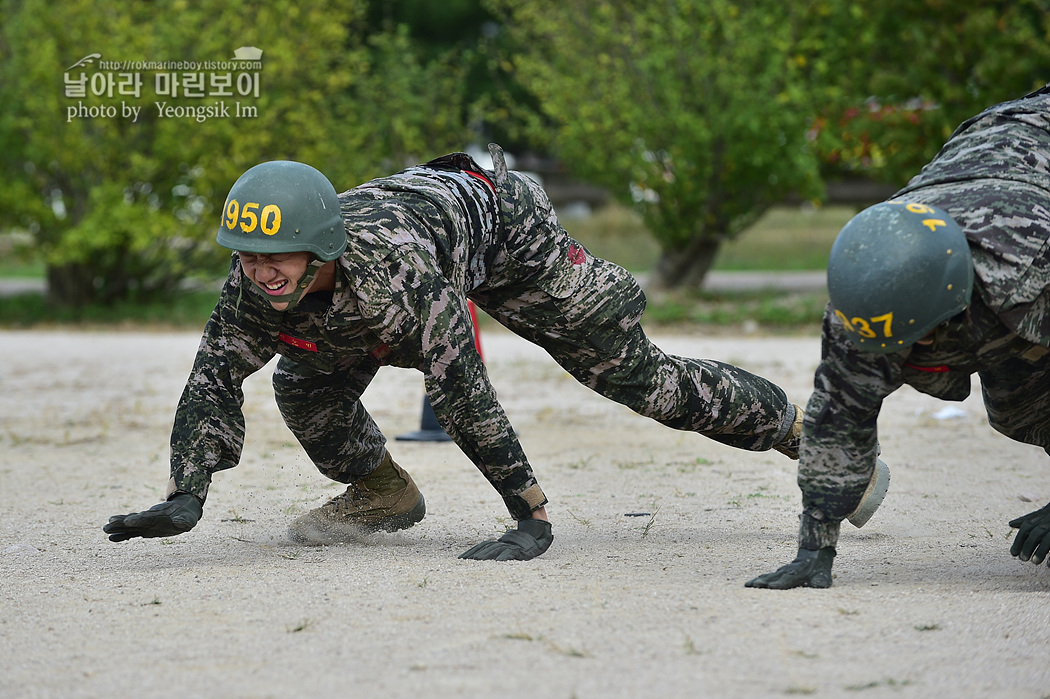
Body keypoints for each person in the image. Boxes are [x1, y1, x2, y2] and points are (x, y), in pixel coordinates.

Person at [104, 143, 809, 561]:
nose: (258, 271)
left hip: (510, 235)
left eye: (272, 256)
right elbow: (214, 377)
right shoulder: (256, 284)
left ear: (318, 247)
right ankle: (385, 494)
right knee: (305, 383)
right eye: (247, 256)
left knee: (642, 382)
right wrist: (187, 491)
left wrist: (528, 513)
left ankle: (797, 430)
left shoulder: (402, 275)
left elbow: (463, 391)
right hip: (396, 266)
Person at [746, 87, 1050, 589]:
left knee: (1028, 392)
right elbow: (838, 420)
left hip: (1028, 201)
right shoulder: (867, 293)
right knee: (1019, 404)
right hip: (991, 156)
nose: (905, 358)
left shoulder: (1031, 268)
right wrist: (814, 546)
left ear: (957, 305)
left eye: (920, 341)